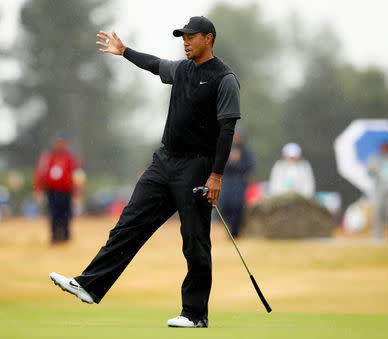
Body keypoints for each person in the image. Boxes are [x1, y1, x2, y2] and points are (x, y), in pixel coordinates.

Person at [50, 16, 240, 328]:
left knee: (194, 240)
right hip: (164, 160)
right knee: (129, 224)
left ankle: (195, 314)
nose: (185, 41)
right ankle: (90, 285)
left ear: (208, 38)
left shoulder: (224, 78)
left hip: (198, 167)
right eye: (183, 37)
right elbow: (154, 64)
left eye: (191, 37)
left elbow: (227, 130)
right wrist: (125, 51)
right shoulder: (181, 70)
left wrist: (216, 176)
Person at [33, 132, 83, 244]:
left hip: (66, 192)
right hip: (52, 192)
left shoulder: (71, 157)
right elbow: (40, 174)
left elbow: (78, 175)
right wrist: (38, 190)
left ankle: (65, 237)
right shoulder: (48, 156)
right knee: (53, 214)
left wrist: (78, 191)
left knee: (66, 215)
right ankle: (54, 237)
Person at [217, 127, 254, 237]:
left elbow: (249, 166)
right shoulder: (224, 149)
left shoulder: (246, 151)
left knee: (237, 209)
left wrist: (238, 163)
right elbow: (218, 166)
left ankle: (234, 233)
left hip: (239, 185)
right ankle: (230, 228)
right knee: (224, 208)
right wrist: (230, 161)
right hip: (226, 184)